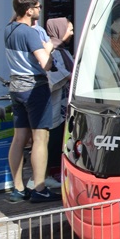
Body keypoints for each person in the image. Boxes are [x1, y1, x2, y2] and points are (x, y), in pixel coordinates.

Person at [4, 0, 59, 203]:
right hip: (35, 88)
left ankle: (17, 189)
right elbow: (45, 63)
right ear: (28, 11)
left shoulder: (8, 30)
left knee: (19, 139)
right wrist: (50, 50)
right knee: (40, 138)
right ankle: (39, 188)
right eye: (37, 6)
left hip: (16, 88)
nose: (40, 10)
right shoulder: (30, 33)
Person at [43, 18, 75, 190]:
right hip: (55, 104)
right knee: (51, 140)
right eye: (69, 30)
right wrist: (71, 77)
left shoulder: (63, 51)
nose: (71, 33)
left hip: (65, 104)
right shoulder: (51, 51)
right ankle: (44, 175)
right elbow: (53, 75)